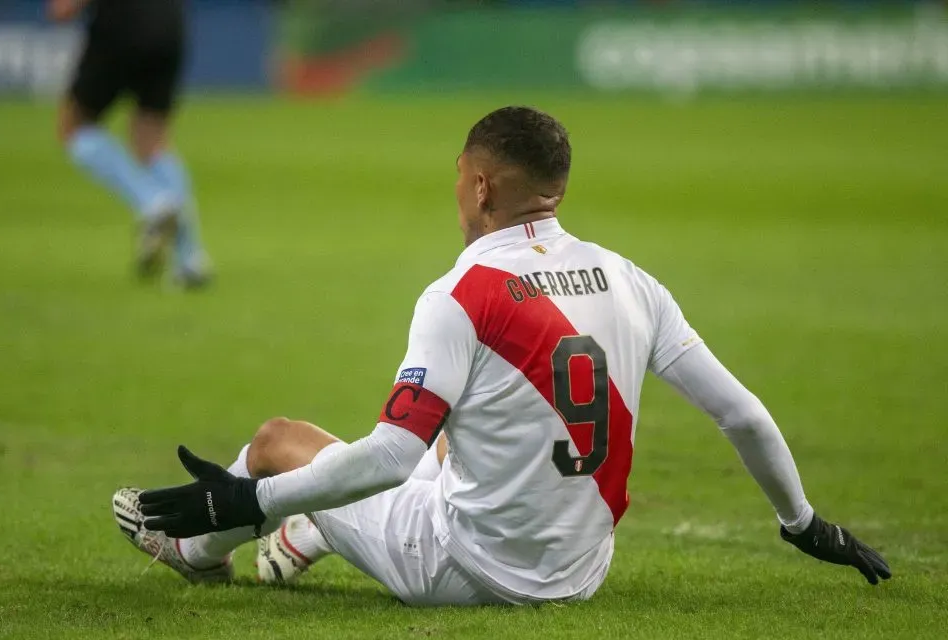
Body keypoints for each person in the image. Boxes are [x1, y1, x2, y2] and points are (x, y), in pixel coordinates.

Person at [112, 106, 891, 605]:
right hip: (583, 570)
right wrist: (802, 522)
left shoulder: (463, 291)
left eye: (459, 180)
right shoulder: (631, 279)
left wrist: (246, 500)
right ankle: (312, 532)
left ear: (482, 186)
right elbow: (742, 413)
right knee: (464, 416)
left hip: (470, 569)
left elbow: (389, 456)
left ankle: (195, 547)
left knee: (280, 440)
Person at [48, 0, 210, 286]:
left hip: (121, 24)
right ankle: (190, 260)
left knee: (72, 126)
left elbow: (64, 9)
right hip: (170, 23)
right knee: (153, 141)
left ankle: (152, 201)